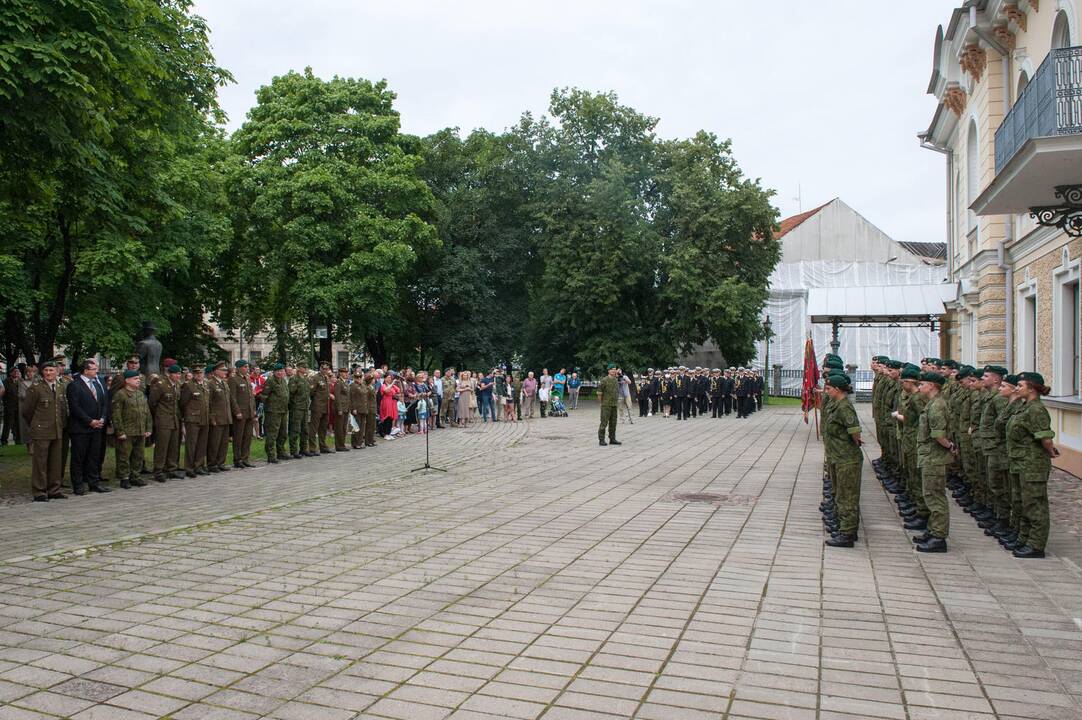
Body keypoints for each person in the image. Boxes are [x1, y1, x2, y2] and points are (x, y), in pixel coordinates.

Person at [1006, 372, 1058, 559]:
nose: (1017, 388)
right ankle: (1024, 537)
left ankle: (1036, 545)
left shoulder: (1036, 409)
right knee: (1021, 502)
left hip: (1032, 464)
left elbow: (1045, 437)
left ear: (1032, 388)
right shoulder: (1023, 407)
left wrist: (1051, 451)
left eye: (1020, 385)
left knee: (1034, 504)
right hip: (1020, 462)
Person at [913, 371, 954, 553]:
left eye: (922, 384)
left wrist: (950, 446)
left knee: (935, 496)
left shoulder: (937, 405)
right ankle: (933, 530)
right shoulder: (933, 403)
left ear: (932, 386)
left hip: (934, 457)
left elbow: (938, 434)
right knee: (930, 495)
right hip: (930, 456)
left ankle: (939, 537)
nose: (919, 387)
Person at [822, 373, 863, 547]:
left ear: (838, 390)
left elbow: (854, 431)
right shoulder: (836, 404)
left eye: (829, 388)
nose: (826, 391)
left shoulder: (844, 407)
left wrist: (854, 442)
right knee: (840, 495)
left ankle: (847, 533)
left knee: (847, 497)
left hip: (846, 458)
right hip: (838, 456)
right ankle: (844, 527)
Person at [23, 362, 68, 501]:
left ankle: (54, 489)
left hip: (57, 429)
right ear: (42, 373)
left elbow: (63, 409)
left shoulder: (61, 387)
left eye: (51, 370)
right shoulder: (36, 388)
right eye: (46, 370)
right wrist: (37, 424)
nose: (48, 373)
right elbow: (26, 410)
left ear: (57, 372)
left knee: (56, 461)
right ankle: (39, 491)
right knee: (40, 462)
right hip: (41, 430)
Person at [66, 359, 110, 495]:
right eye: (94, 368)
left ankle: (94, 482)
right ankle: (78, 485)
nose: (96, 370)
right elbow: (75, 407)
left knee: (94, 456)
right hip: (81, 428)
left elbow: (103, 403)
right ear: (85, 370)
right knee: (78, 457)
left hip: (97, 427)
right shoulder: (75, 385)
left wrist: (102, 418)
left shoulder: (97, 384)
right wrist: (89, 421)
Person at [112, 369, 151, 489]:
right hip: (127, 430)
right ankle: (124, 477)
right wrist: (120, 431)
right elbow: (116, 415)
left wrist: (148, 427)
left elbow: (147, 412)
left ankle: (135, 476)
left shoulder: (140, 393)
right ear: (127, 381)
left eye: (138, 378)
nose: (138, 380)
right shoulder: (120, 394)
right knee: (124, 455)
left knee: (138, 455)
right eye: (135, 379)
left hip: (140, 429)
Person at [148, 365, 183, 482]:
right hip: (163, 420)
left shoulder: (177, 385)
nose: (178, 376)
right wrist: (159, 415)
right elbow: (152, 402)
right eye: (176, 374)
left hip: (174, 419)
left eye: (179, 374)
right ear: (169, 374)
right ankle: (158, 470)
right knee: (162, 446)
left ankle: (171, 469)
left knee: (173, 445)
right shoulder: (160, 385)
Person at [180, 366, 210, 477]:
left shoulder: (206, 384)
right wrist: (186, 416)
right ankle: (189, 467)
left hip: (204, 417)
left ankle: (199, 465)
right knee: (191, 444)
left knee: (202, 443)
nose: (199, 375)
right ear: (193, 374)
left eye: (201, 373)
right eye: (196, 373)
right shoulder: (188, 386)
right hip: (192, 418)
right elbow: (183, 403)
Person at [228, 360, 257, 469]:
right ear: (239, 368)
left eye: (247, 367)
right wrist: (237, 411)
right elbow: (232, 398)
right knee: (238, 437)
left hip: (249, 412)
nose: (247, 368)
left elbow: (251, 397)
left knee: (247, 436)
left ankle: (245, 458)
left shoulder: (248, 379)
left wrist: (253, 410)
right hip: (240, 413)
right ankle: (237, 459)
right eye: (245, 367)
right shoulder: (233, 379)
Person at [260, 364, 290, 463]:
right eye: (278, 371)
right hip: (273, 411)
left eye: (282, 371)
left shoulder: (283, 381)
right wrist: (263, 408)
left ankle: (281, 452)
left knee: (283, 433)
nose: (280, 373)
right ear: (274, 372)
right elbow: (264, 395)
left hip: (283, 410)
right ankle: (271, 455)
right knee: (272, 434)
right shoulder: (270, 381)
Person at [288, 364, 313, 458]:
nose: (306, 369)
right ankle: (294, 451)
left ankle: (304, 449)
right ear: (299, 368)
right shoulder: (294, 379)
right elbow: (291, 393)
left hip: (305, 407)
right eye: (304, 367)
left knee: (305, 430)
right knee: (295, 430)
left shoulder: (305, 379)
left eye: (306, 367)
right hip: (296, 408)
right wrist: (293, 405)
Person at [309, 362, 333, 453]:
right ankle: (312, 448)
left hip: (325, 406)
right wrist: (316, 400)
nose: (325, 371)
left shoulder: (326, 378)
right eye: (324, 369)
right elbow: (311, 392)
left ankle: (323, 446)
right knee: (314, 427)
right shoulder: (316, 378)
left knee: (323, 428)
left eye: (327, 369)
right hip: (317, 406)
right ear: (320, 369)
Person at [597, 364, 621, 447]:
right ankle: (601, 440)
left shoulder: (615, 379)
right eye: (612, 369)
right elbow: (599, 393)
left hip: (614, 404)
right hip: (606, 405)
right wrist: (601, 403)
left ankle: (612, 439)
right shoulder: (604, 380)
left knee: (613, 423)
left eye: (615, 369)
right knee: (604, 423)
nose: (614, 371)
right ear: (608, 371)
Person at [333, 367, 351, 451]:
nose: (346, 374)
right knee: (339, 427)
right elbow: (337, 397)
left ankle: (342, 444)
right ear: (340, 373)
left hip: (346, 408)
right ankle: (339, 445)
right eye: (344, 372)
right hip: (341, 408)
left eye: (347, 372)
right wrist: (339, 409)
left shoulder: (345, 383)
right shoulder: (338, 383)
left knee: (344, 427)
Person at [350, 368, 369, 449]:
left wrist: (361, 384)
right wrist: (353, 408)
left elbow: (365, 394)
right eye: (357, 377)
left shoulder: (363, 385)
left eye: (360, 377)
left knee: (362, 426)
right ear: (354, 378)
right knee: (356, 427)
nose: (358, 379)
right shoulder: (353, 386)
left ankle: (360, 442)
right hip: (357, 409)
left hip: (363, 408)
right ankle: (355, 443)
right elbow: (352, 398)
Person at [2, 366, 20, 445]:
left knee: (18, 423)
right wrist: (6, 403)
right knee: (8, 424)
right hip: (9, 406)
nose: (16, 373)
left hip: (18, 406)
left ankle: (18, 439)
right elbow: (3, 393)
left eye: (17, 371)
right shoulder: (5, 382)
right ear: (10, 373)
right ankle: (4, 440)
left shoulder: (19, 382)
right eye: (14, 371)